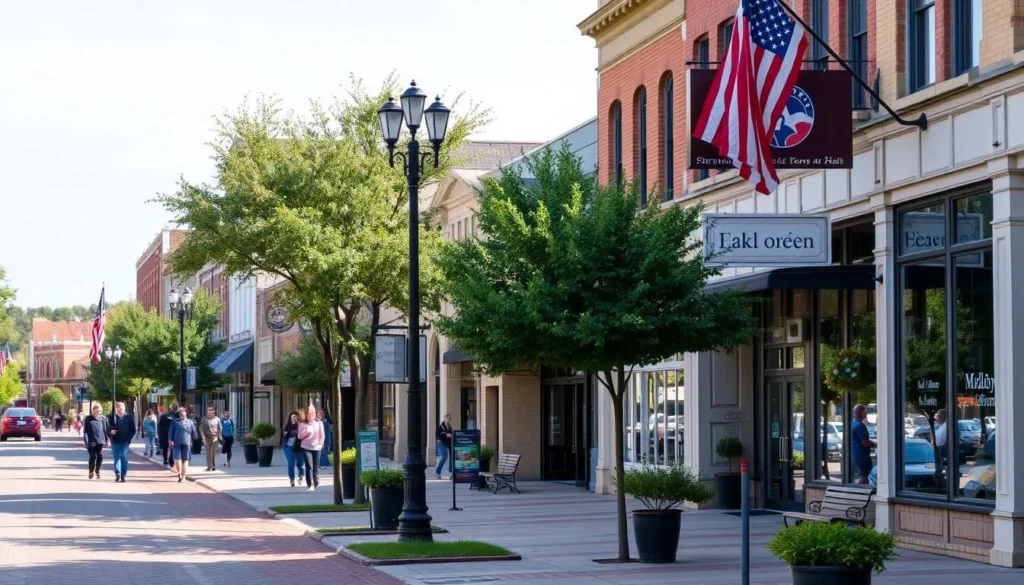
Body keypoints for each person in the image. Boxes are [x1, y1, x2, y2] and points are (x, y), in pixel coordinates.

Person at [168, 406, 200, 482]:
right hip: (176, 442)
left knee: (185, 460)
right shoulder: (175, 422)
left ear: (186, 413)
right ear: (179, 414)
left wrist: (194, 440)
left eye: (184, 412)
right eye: (181, 413)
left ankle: (183, 476)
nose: (182, 414)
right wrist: (170, 440)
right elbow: (170, 432)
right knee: (177, 459)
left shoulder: (190, 422)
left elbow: (194, 433)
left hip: (187, 442)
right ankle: (179, 473)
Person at [298, 405, 325, 492]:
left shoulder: (319, 423)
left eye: (313, 413)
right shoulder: (303, 424)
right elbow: (299, 437)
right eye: (309, 414)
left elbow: (322, 435)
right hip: (306, 447)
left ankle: (315, 480)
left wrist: (320, 444)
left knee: (316, 467)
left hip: (316, 447)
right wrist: (305, 432)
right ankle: (310, 484)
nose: (311, 415)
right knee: (309, 466)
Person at [108, 402, 137, 483]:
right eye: (118, 408)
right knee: (116, 458)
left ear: (124, 408)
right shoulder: (112, 417)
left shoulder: (129, 417)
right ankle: (117, 473)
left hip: (125, 441)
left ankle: (123, 474)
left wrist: (128, 439)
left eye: (121, 408)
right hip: (115, 441)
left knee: (124, 457)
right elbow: (108, 428)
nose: (119, 410)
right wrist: (111, 431)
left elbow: (133, 430)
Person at [851, 404, 877, 484]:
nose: (866, 413)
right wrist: (876, 444)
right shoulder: (860, 426)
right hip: (862, 456)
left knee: (862, 475)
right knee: (865, 476)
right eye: (865, 411)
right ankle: (859, 492)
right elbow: (865, 443)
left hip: (855, 455)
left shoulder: (853, 423)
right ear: (861, 412)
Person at [82, 405, 109, 480]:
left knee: (100, 456)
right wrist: (85, 442)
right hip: (91, 440)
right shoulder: (88, 419)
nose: (98, 412)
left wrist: (107, 440)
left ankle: (97, 470)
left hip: (101, 440)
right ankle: (91, 471)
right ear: (93, 410)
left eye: (99, 411)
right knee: (93, 456)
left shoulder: (103, 419)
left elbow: (106, 430)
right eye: (96, 410)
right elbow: (85, 431)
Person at [281, 411, 305, 487]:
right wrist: (289, 428)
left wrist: (298, 424)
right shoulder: (288, 425)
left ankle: (301, 476)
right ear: (290, 418)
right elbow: (284, 434)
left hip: (299, 446)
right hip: (288, 446)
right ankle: (292, 479)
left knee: (300, 464)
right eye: (292, 417)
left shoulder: (301, 425)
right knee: (291, 463)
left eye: (295, 417)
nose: (294, 418)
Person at [200, 407, 222, 472]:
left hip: (215, 437)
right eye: (210, 412)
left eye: (212, 412)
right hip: (207, 437)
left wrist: (220, 436)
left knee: (214, 452)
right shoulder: (204, 419)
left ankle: (213, 464)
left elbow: (220, 428)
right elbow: (201, 428)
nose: (211, 414)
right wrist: (203, 436)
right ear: (207, 412)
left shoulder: (217, 419)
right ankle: (209, 466)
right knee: (208, 452)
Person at [435, 413, 453, 479]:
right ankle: (438, 472)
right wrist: (446, 435)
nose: (448, 419)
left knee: (452, 457)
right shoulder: (440, 426)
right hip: (441, 443)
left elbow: (451, 435)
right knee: (444, 457)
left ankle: (451, 473)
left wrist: (450, 435)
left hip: (449, 443)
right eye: (447, 418)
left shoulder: (450, 427)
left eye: (449, 418)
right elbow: (437, 434)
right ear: (444, 419)